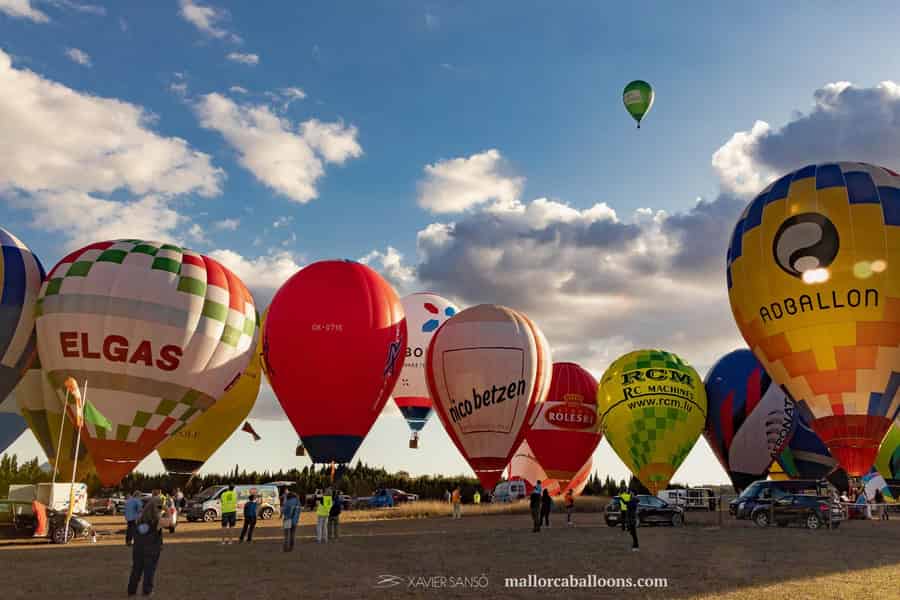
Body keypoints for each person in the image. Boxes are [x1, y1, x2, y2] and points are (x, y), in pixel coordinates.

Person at [128, 496, 164, 597]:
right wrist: (166, 509)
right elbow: (171, 522)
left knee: (136, 570)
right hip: (152, 550)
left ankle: (131, 590)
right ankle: (147, 591)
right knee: (149, 571)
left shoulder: (138, 519)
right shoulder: (157, 521)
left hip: (138, 548)